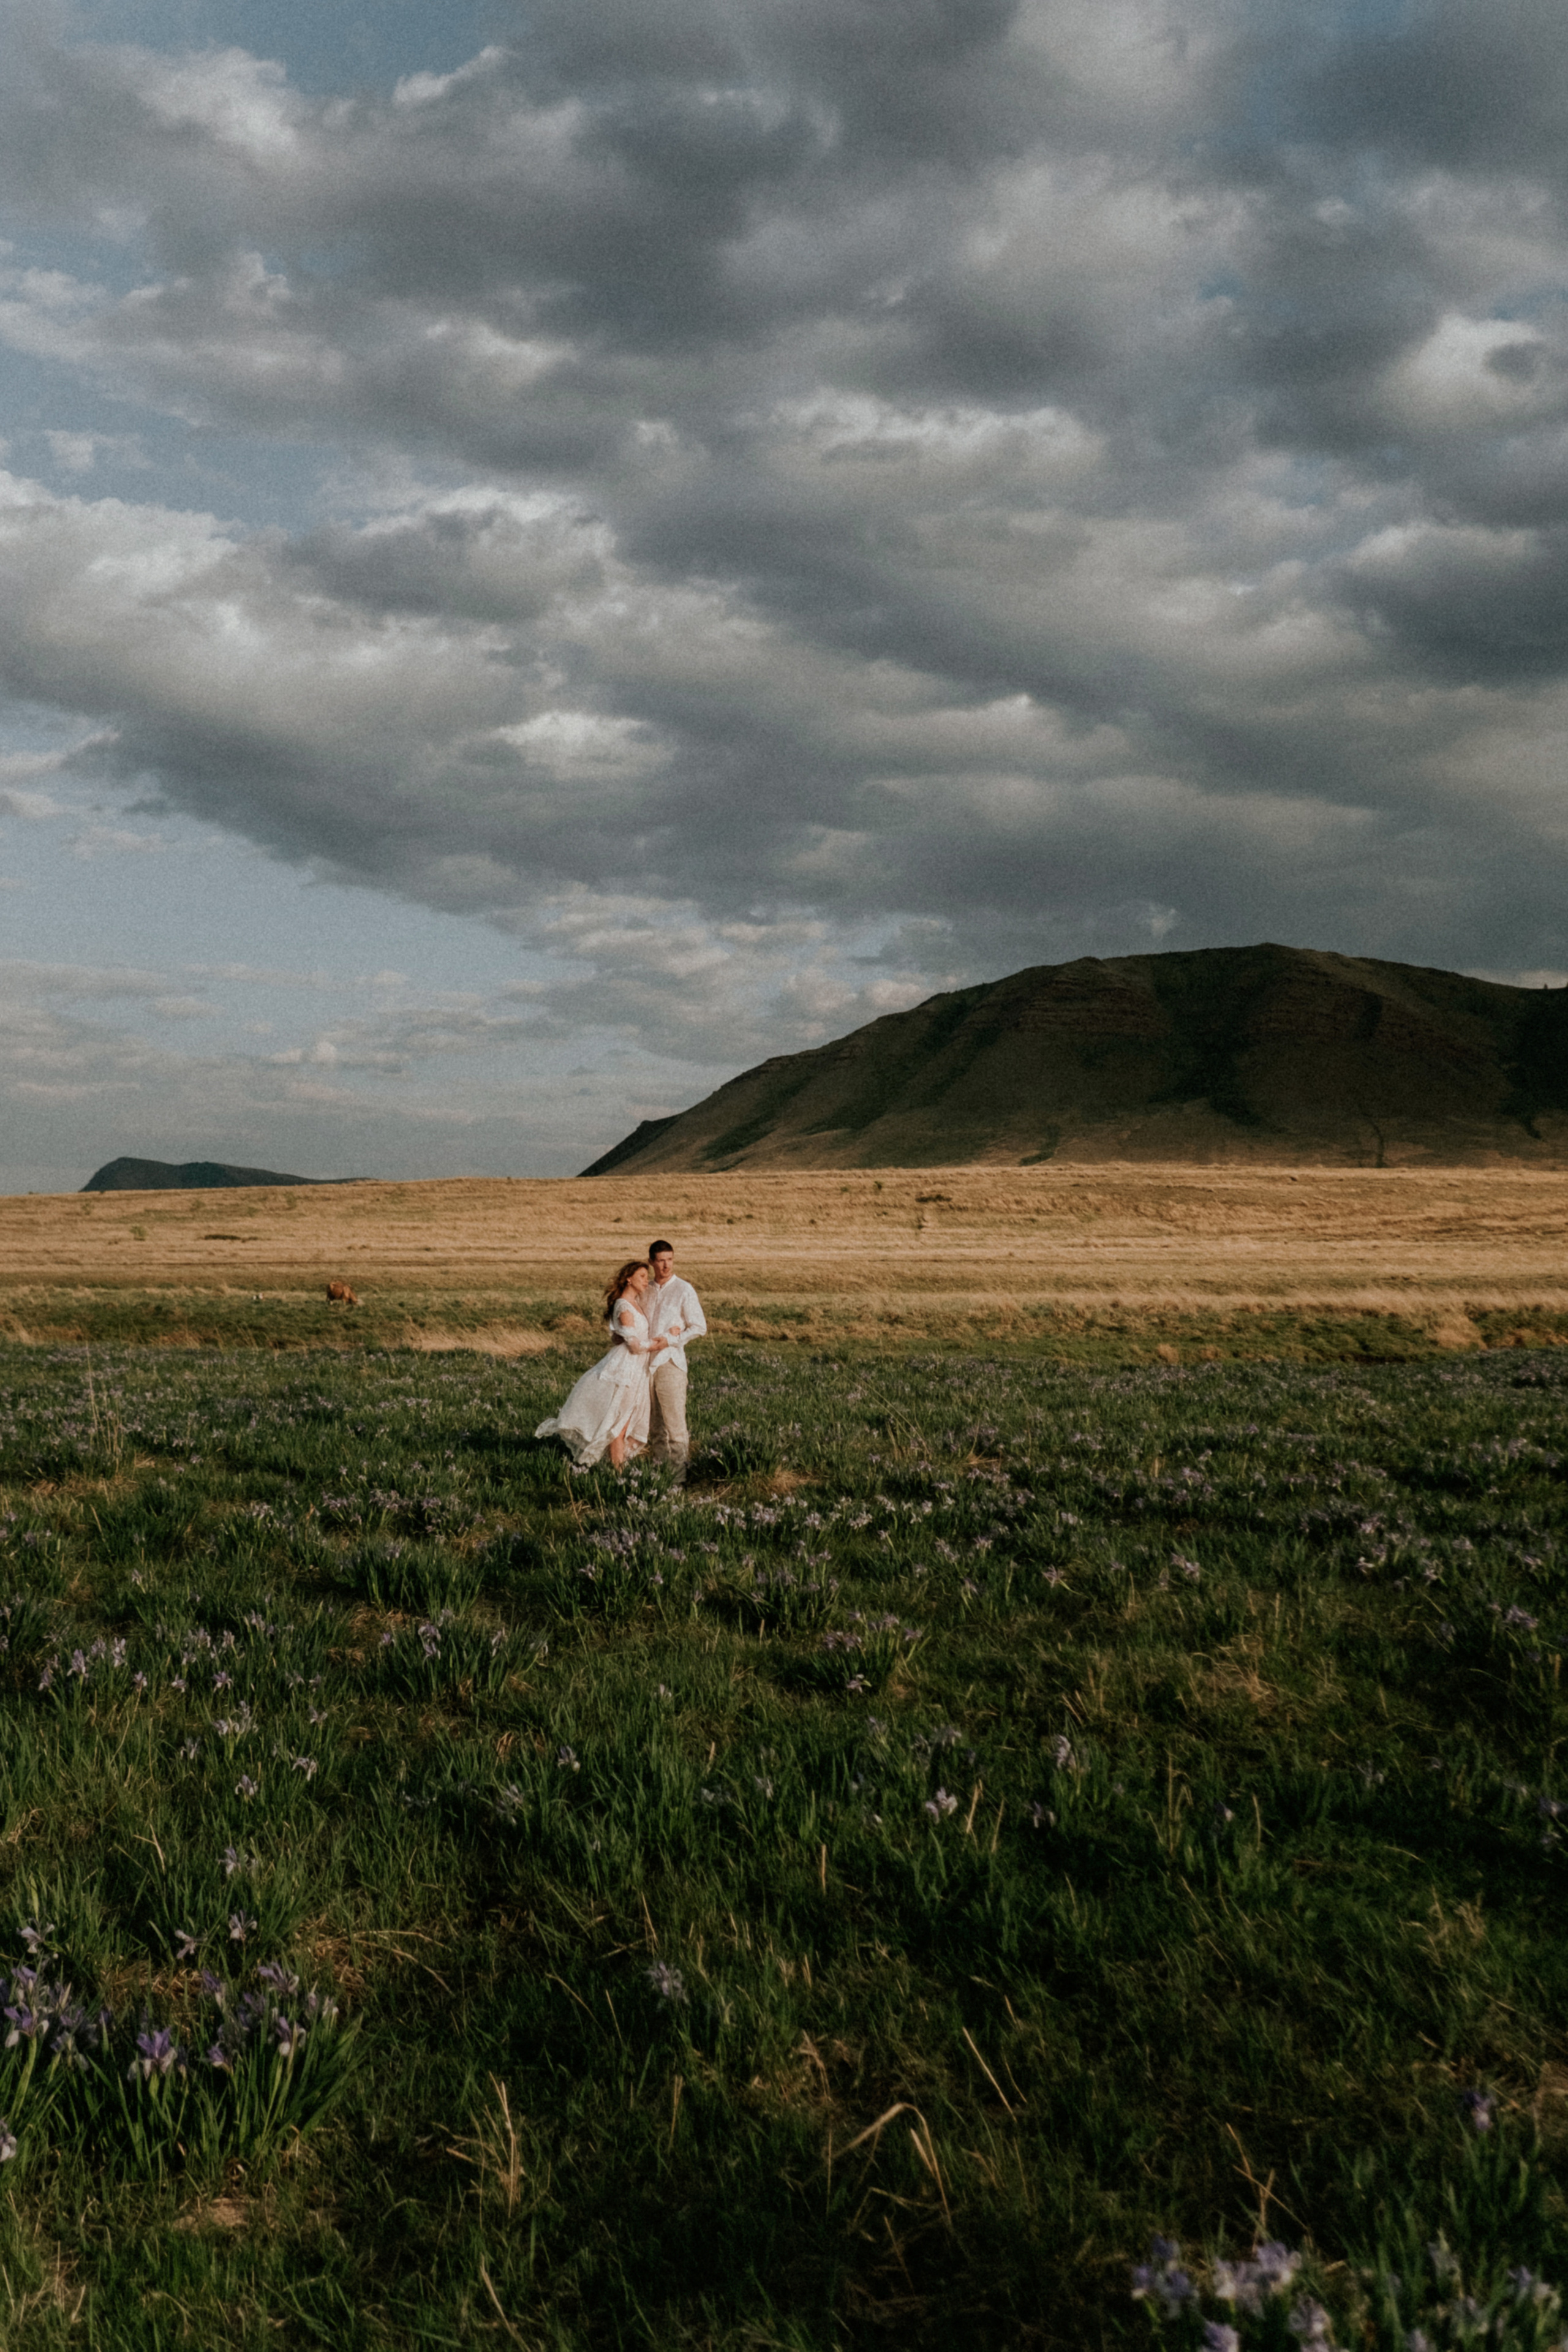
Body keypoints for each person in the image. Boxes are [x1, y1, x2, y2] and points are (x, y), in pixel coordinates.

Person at [534, 1259, 668, 1470]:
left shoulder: (635, 1304)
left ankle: (617, 1466)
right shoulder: (624, 1306)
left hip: (636, 1368)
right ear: (628, 1279)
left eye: (647, 1276)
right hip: (626, 1367)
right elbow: (633, 1346)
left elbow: (621, 1337)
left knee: (625, 1419)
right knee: (619, 1421)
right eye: (642, 1276)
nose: (646, 1280)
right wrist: (660, 1343)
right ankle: (618, 1471)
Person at [643, 1237, 706, 1485]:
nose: (666, 1266)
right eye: (660, 1261)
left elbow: (699, 1327)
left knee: (675, 1426)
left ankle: (679, 1480)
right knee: (655, 1427)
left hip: (670, 1362)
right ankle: (660, 1478)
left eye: (670, 1260)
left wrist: (670, 1340)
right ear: (651, 1263)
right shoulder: (645, 1288)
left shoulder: (684, 1289)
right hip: (645, 1364)